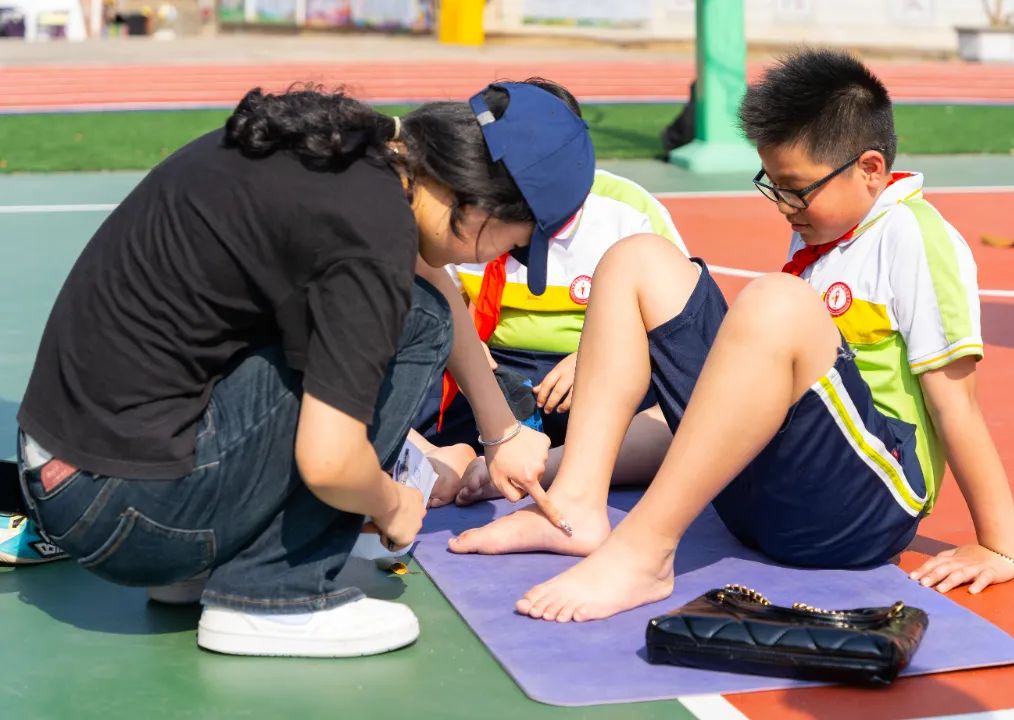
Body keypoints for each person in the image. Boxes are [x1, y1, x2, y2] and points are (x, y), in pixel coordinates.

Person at [14, 80, 593, 653]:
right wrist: (393, 504)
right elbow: (330, 462)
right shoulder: (369, 233)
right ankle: (275, 594)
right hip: (129, 511)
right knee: (417, 322)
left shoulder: (354, 149)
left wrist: (501, 431)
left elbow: (430, 273)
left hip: (78, 470)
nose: (502, 258)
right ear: (481, 203)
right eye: (515, 244)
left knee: (413, 310)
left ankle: (206, 563)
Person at [448, 49, 1014, 623]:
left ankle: (645, 554)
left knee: (775, 300)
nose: (784, 207)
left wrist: (998, 545)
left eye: (796, 189)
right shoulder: (821, 233)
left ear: (871, 169)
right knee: (635, 259)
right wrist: (548, 465)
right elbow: (720, 413)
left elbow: (957, 404)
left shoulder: (912, 236)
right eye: (772, 186)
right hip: (762, 502)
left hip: (859, 512)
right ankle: (574, 506)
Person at [416, 78, 688, 508]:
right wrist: (479, 367)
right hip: (499, 370)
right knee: (409, 379)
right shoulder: (471, 212)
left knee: (681, 420)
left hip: (596, 375)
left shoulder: (627, 210)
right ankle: (445, 454)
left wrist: (592, 360)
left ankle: (550, 465)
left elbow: (675, 325)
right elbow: (447, 302)